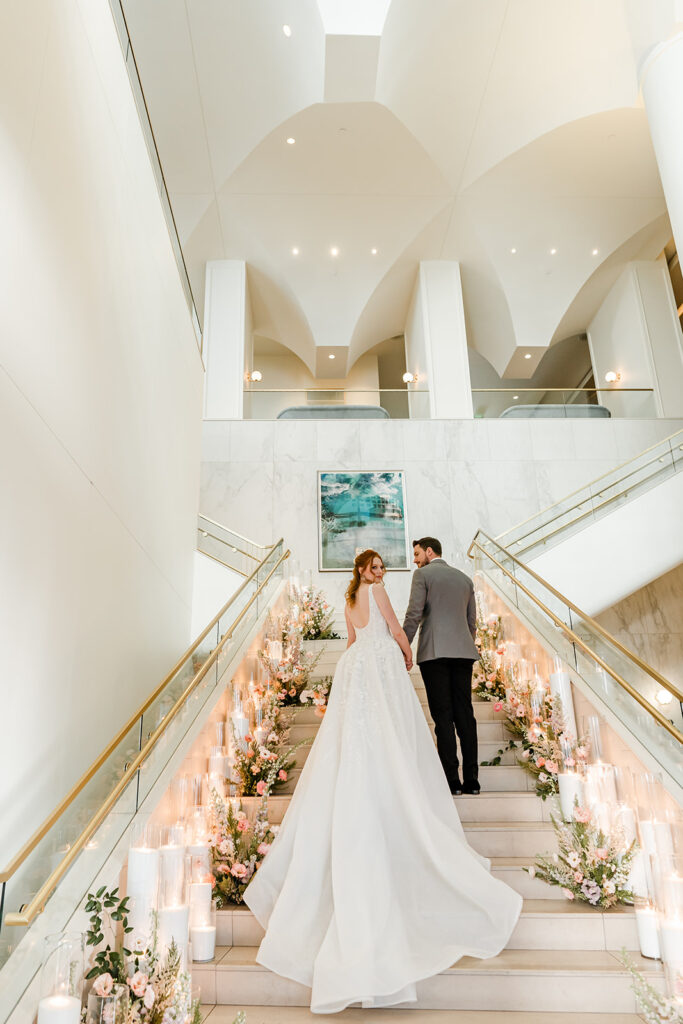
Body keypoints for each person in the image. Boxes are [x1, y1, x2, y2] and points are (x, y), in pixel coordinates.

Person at [244, 549, 521, 1014]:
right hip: (378, 665)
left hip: (355, 667)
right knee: (391, 728)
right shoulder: (377, 592)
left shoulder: (349, 598)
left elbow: (352, 639)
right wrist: (407, 654)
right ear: (365, 569)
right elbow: (395, 629)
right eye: (375, 567)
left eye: (380, 569)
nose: (380, 573)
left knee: (357, 736)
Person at [403, 537, 480, 796]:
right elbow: (471, 622)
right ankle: (472, 781)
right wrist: (463, 644)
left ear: (429, 551)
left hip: (434, 654)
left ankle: (452, 782)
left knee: (443, 717)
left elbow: (414, 614)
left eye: (417, 554)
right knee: (465, 716)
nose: (415, 560)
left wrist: (402, 647)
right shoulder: (465, 579)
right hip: (463, 654)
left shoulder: (422, 575)